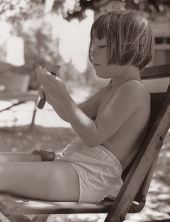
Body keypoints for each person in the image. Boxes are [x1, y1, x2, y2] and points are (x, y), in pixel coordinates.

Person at [0, 10, 153, 203]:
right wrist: (54, 96)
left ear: (130, 48)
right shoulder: (113, 87)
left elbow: (93, 136)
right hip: (75, 165)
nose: (92, 51)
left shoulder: (133, 90)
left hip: (89, 177)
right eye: (93, 45)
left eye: (102, 45)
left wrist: (65, 98)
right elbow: (72, 115)